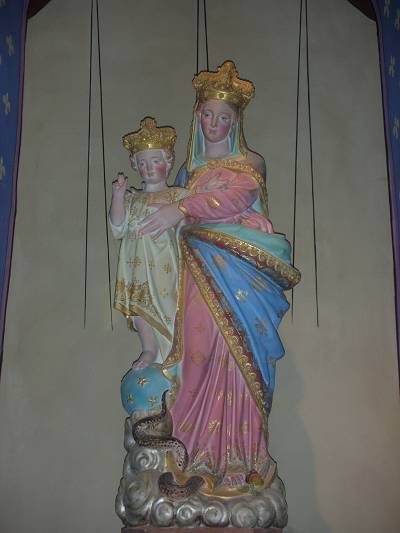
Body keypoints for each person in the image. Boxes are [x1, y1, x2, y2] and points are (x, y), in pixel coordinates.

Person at [139, 62, 300, 496]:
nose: (214, 123)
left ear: (235, 121)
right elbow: (164, 221)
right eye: (208, 114)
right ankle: (190, 454)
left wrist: (184, 208)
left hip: (238, 275)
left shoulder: (249, 163)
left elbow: (234, 198)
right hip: (196, 272)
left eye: (224, 117)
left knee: (237, 353)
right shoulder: (186, 173)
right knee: (196, 353)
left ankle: (241, 460)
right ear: (198, 116)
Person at [109, 117, 189, 370]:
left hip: (166, 265)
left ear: (169, 162)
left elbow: (192, 228)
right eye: (142, 163)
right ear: (135, 165)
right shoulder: (132, 198)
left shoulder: (178, 196)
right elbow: (117, 227)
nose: (149, 167)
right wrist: (118, 197)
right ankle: (149, 348)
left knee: (169, 305)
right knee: (140, 308)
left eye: (155, 161)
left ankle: (174, 352)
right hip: (135, 267)